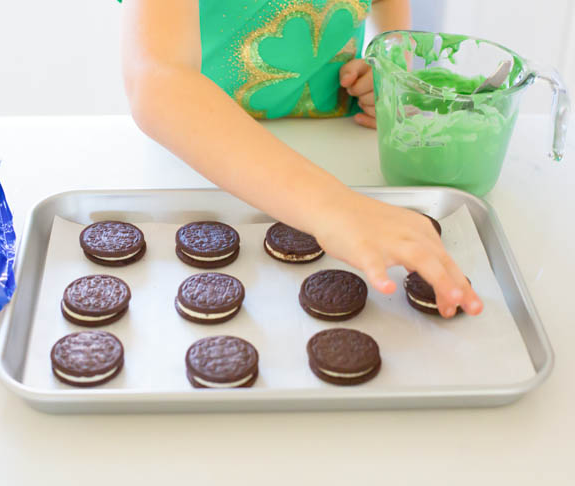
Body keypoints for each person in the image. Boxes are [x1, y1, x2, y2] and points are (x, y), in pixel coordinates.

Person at [120, 0, 483, 318]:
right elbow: (159, 80)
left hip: (347, 140)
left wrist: (389, 64)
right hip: (197, 157)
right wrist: (337, 208)